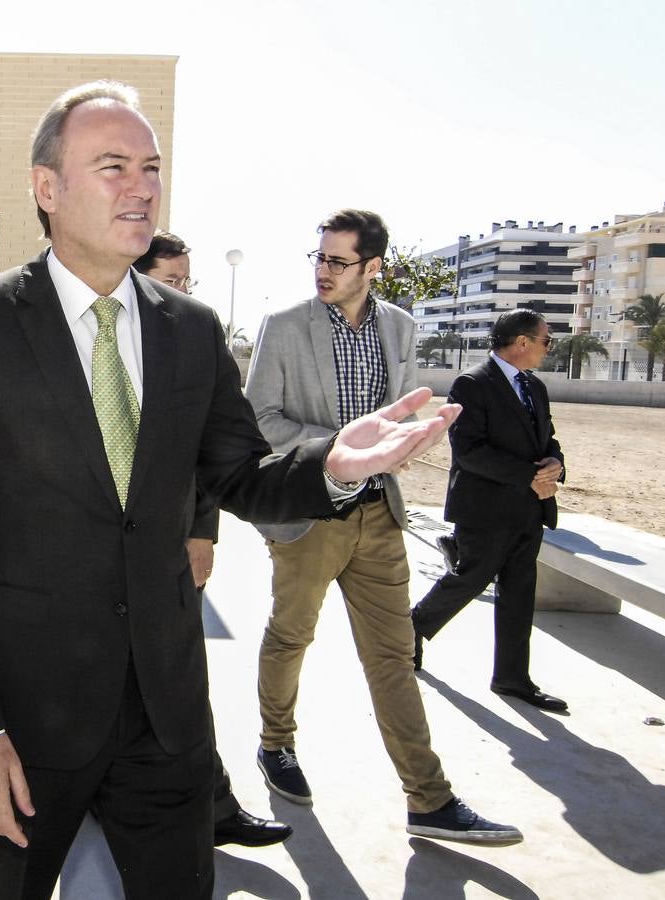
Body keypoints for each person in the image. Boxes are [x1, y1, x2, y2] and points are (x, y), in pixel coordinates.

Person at [0, 81, 459, 899]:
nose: (141, 186)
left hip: (167, 713)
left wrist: (334, 465)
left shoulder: (190, 329)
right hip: (31, 716)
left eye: (151, 167)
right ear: (47, 188)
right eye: (113, 166)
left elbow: (239, 474)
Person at [245, 210, 520, 846]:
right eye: (317, 257)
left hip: (378, 514)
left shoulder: (400, 326)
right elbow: (260, 417)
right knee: (292, 636)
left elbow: (394, 416)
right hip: (309, 512)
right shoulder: (285, 326)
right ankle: (275, 743)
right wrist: (341, 449)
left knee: (394, 656)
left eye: (338, 261)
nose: (322, 270)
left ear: (373, 267)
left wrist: (402, 444)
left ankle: (429, 798)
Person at [130, 231, 289, 848]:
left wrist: (202, 532)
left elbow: (210, 454)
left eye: (188, 283)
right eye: (173, 281)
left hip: (173, 546)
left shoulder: (188, 344)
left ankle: (214, 805)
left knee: (181, 689)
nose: (184, 295)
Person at [411, 309, 568, 712]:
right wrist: (526, 476)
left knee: (519, 593)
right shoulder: (473, 384)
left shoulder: (535, 386)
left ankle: (512, 678)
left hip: (530, 508)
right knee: (469, 578)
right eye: (546, 340)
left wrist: (555, 463)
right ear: (522, 343)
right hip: (486, 508)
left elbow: (546, 438)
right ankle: (412, 626)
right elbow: (469, 451)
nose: (548, 348)